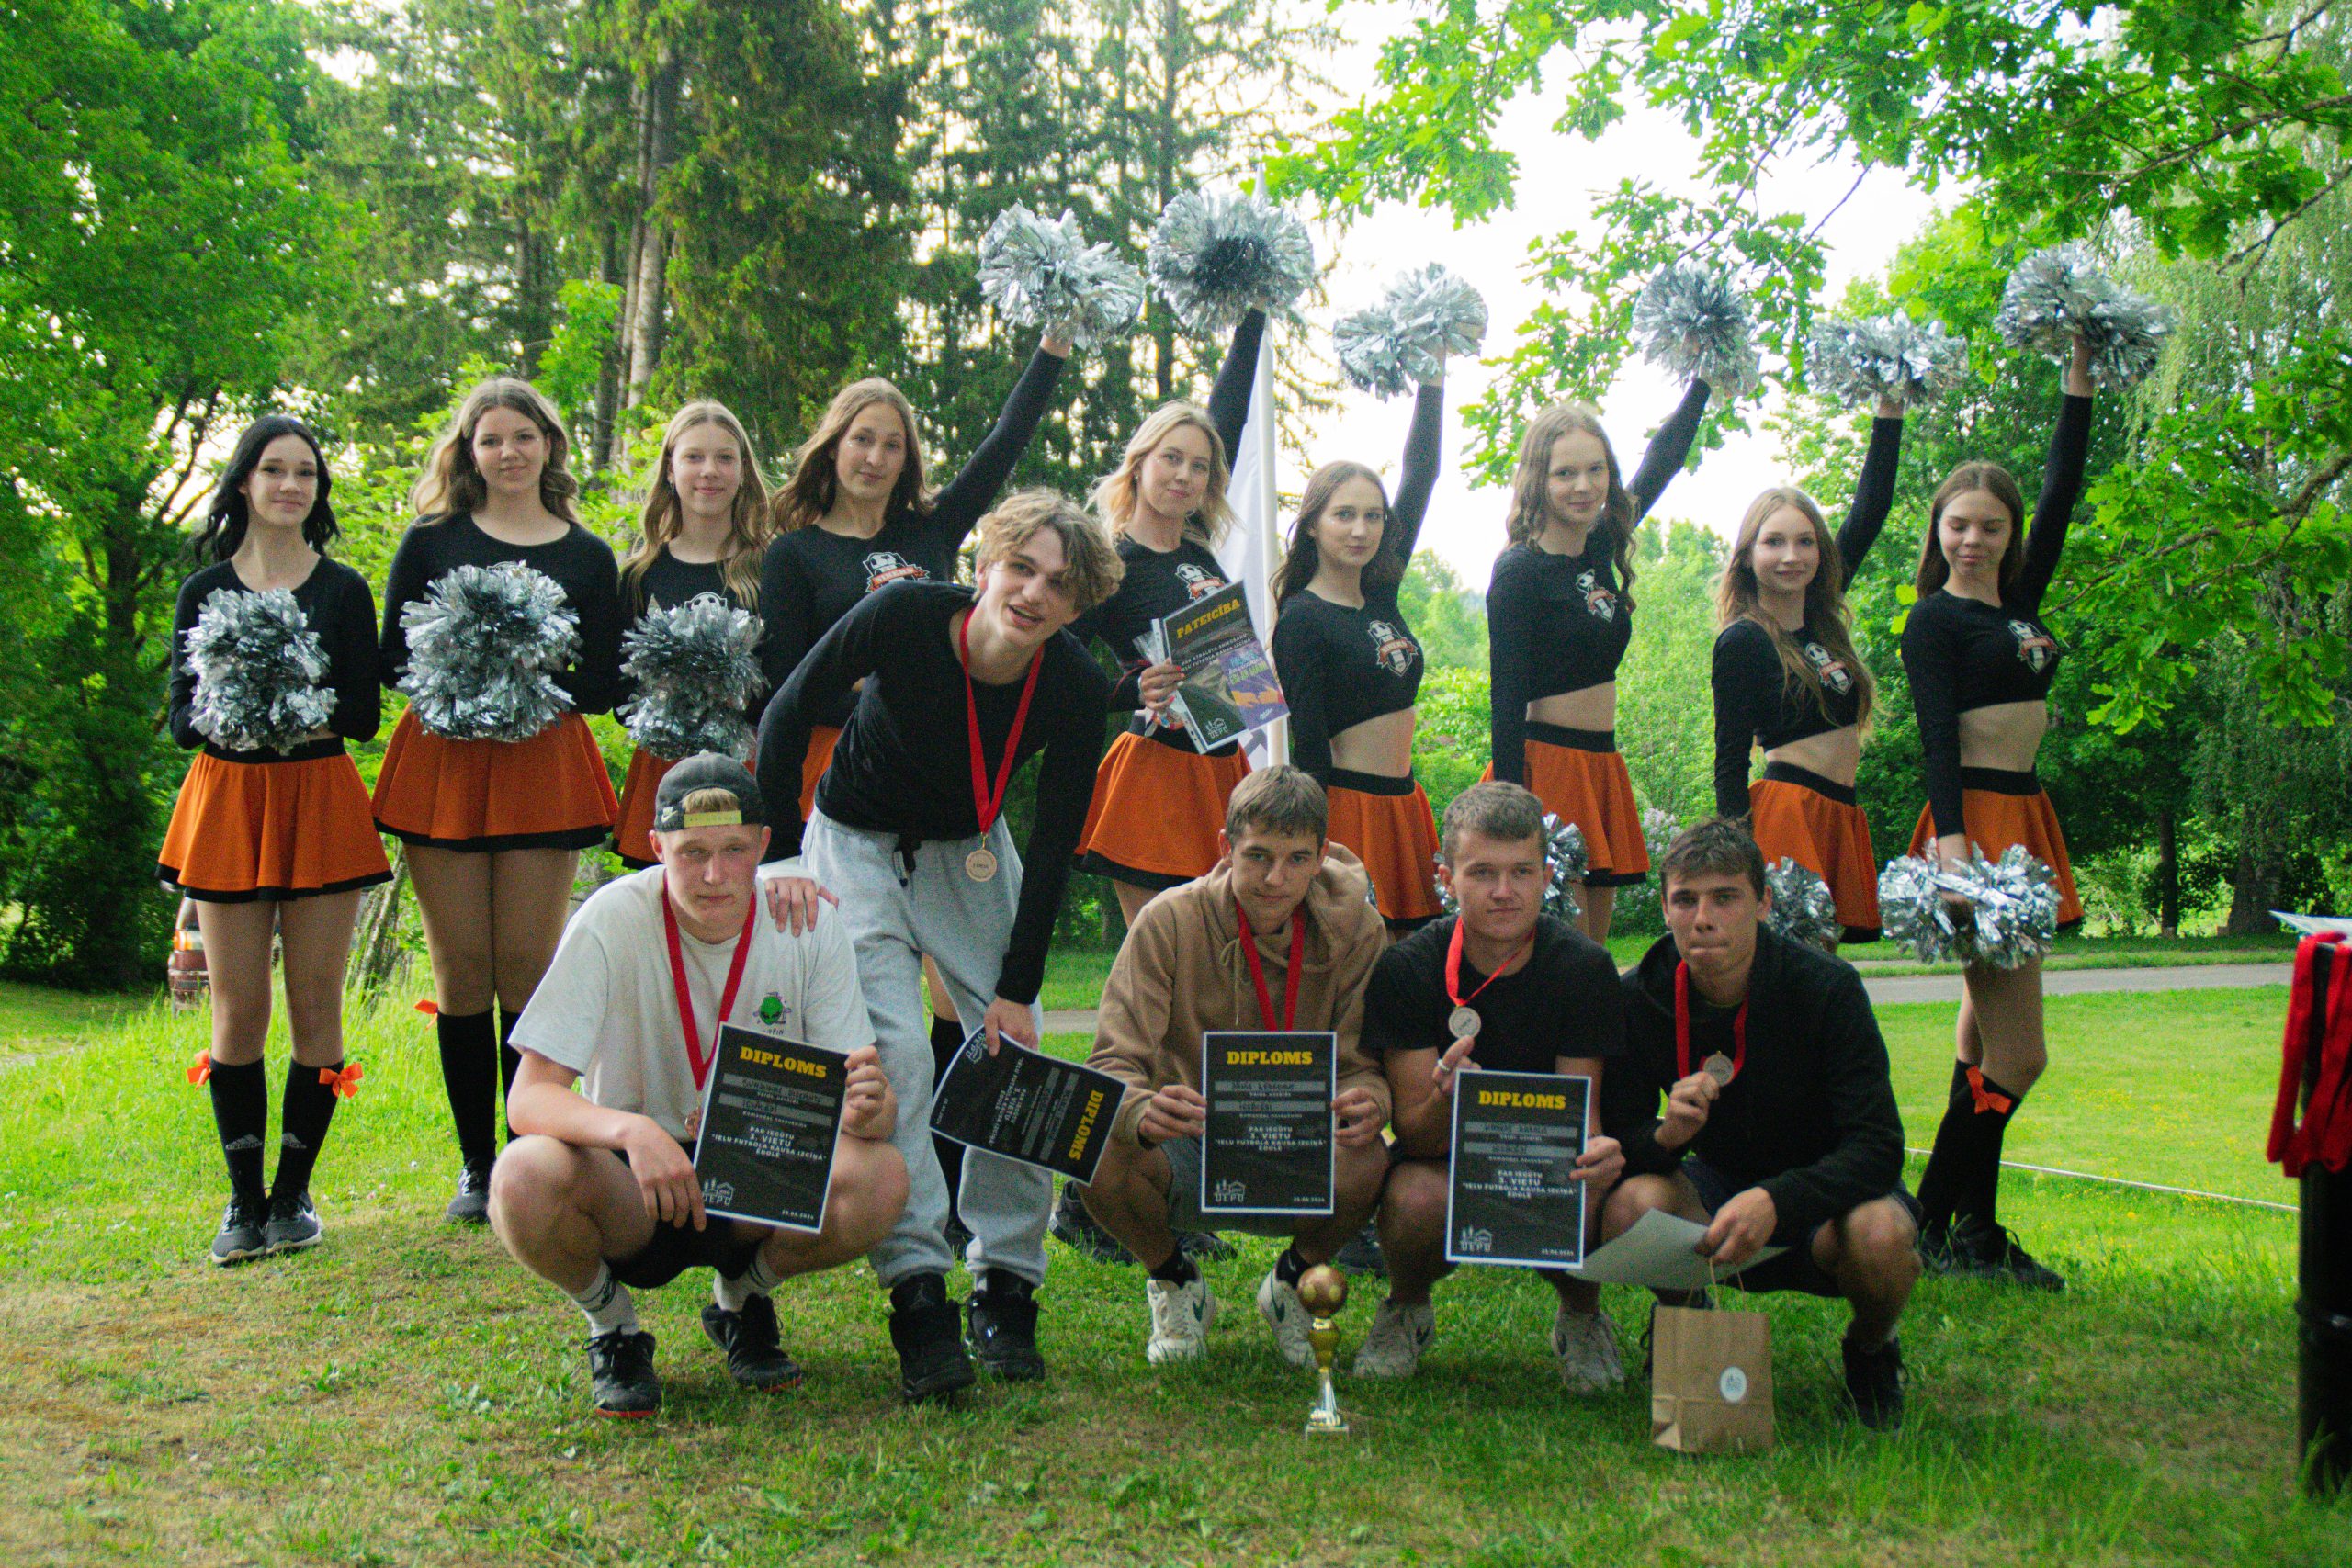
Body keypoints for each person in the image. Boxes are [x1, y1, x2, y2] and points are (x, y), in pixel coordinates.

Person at [755, 489, 1120, 1400]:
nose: (1033, 593)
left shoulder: (1075, 683)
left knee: (1017, 1057)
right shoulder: (906, 615)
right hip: (854, 841)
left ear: (1075, 605)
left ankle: (1007, 1281)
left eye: (1059, 585)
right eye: (1021, 568)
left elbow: (1055, 842)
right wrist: (781, 858)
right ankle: (918, 1288)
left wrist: (1015, 988)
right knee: (897, 1058)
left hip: (971, 852)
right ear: (985, 565)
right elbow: (784, 714)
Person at [761, 333, 1076, 1232]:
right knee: (885, 1029)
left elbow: (1002, 452)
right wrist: (888, 678)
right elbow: (786, 687)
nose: (875, 455)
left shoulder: (932, 535)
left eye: (892, 443)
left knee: (988, 1017)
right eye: (860, 437)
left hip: (960, 807)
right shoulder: (798, 554)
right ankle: (913, 1233)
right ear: (832, 446)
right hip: (845, 784)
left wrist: (1049, 353)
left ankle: (984, 1222)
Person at [490, 755, 906, 1417]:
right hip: (633, 1184)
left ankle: (743, 1297)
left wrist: (871, 1109)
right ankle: (614, 1327)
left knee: (880, 1177)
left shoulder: (807, 922)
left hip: (753, 1179)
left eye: (733, 850)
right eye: (692, 853)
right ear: (657, 848)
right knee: (520, 1176)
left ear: (764, 846)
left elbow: (862, 1110)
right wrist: (631, 1130)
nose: (714, 875)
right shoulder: (609, 917)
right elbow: (529, 1097)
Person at [373, 377, 623, 1224]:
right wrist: (467, 669)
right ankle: (476, 1164)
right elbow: (393, 657)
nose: (509, 452)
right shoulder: (431, 539)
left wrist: (525, 669)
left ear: (549, 445)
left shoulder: (587, 555)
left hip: (540, 767)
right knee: (461, 971)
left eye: (524, 436)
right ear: (469, 452)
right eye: (491, 439)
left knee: (527, 966)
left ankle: (528, 1152)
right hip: (443, 764)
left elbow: (600, 682)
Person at [159, 415, 390, 1264]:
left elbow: (363, 714)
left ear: (317, 490)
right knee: (238, 1005)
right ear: (245, 483)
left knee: (316, 1002)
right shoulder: (203, 589)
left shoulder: (344, 590)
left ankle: (293, 1194)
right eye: (274, 470)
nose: (291, 486)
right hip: (230, 799)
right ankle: (242, 1199)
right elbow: (181, 716)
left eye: (306, 473)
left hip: (319, 797)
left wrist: (294, 707)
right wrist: (239, 712)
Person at [1600, 818, 1917, 1430]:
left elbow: (1878, 1145)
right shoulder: (1640, 995)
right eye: (1685, 900)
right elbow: (1621, 1133)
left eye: (1725, 897)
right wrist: (1665, 1136)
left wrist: (1777, 1199)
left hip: (1828, 1200)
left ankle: (1871, 1347)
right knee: (1632, 1204)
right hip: (1717, 1191)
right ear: (1664, 908)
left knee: (1881, 1236)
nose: (1703, 918)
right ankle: (1689, 1321)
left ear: (1763, 902)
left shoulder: (1826, 987)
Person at [1900, 334, 2096, 1291]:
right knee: (2022, 1054)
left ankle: (1962, 1228)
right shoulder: (1932, 620)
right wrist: (1951, 853)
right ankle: (1932, 1217)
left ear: (2008, 534)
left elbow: (2060, 488)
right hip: (1976, 832)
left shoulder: (2018, 602)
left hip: (2026, 818)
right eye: (1958, 524)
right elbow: (1938, 741)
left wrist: (2078, 379)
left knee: (1981, 1043)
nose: (1972, 539)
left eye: (1989, 526)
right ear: (1938, 530)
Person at [1080, 766, 1391, 1364]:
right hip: (1193, 1136)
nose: (1277, 878)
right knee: (1094, 1149)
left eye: (1298, 859)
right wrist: (1142, 1110)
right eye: (1258, 856)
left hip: (1301, 1136)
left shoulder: (1359, 930)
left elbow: (1361, 1062)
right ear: (1226, 846)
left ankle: (1291, 1282)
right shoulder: (1168, 920)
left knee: (1369, 1158)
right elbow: (1114, 1059)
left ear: (1321, 855)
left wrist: (1370, 1097)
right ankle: (1176, 1281)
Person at [1351, 782, 1626, 1382]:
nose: (1504, 891)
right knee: (1413, 1198)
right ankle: (1405, 1307)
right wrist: (1446, 1099)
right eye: (1481, 873)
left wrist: (1596, 1151)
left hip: (1549, 1162)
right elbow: (1416, 1136)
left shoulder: (1585, 968)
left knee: (1594, 1181)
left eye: (1521, 871)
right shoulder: (1408, 968)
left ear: (1547, 874)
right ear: (1446, 879)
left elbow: (1585, 1120)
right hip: (1446, 1160)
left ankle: (1582, 1315)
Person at [1486, 379, 1710, 942]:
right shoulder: (1519, 571)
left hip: (1600, 766)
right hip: (1547, 769)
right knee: (1554, 955)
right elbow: (1505, 698)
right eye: (1565, 473)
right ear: (1537, 480)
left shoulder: (1601, 544)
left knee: (1592, 955)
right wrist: (1512, 813)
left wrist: (1703, 380)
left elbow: (1662, 461)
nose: (1584, 486)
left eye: (1596, 470)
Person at [1070, 310, 1268, 929]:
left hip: (1224, 765)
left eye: (1199, 466)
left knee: (1221, 951)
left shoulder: (1198, 544)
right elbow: (1055, 668)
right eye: (1171, 458)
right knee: (1160, 954)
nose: (1185, 475)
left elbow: (1227, 412)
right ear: (1139, 462)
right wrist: (1130, 689)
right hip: (1156, 775)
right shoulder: (1109, 562)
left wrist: (1254, 309)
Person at [1710, 394, 1905, 945]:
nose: (1791, 556)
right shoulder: (1743, 640)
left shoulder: (1822, 620)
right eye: (1773, 542)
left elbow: (1871, 509)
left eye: (1805, 542)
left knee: (1823, 975)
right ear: (1748, 555)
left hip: (1839, 813)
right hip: (1787, 816)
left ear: (1821, 553)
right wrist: (1737, 863)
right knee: (1791, 972)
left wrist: (1890, 407)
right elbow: (1729, 761)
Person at [1268, 361, 1448, 932]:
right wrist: (1311, 845)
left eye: (1373, 517)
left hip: (1405, 806)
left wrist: (1434, 375)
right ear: (1313, 525)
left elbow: (1421, 475)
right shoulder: (1301, 618)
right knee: (1356, 958)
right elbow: (1309, 745)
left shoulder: (1382, 592)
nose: (1360, 530)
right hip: (1350, 810)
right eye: (1343, 515)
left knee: (1411, 961)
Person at [610, 402, 775, 869]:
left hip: (749, 766)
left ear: (743, 472)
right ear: (670, 469)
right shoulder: (639, 575)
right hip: (664, 769)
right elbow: (621, 692)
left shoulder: (773, 567)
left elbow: (784, 677)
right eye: (693, 457)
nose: (709, 471)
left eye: (725, 458)